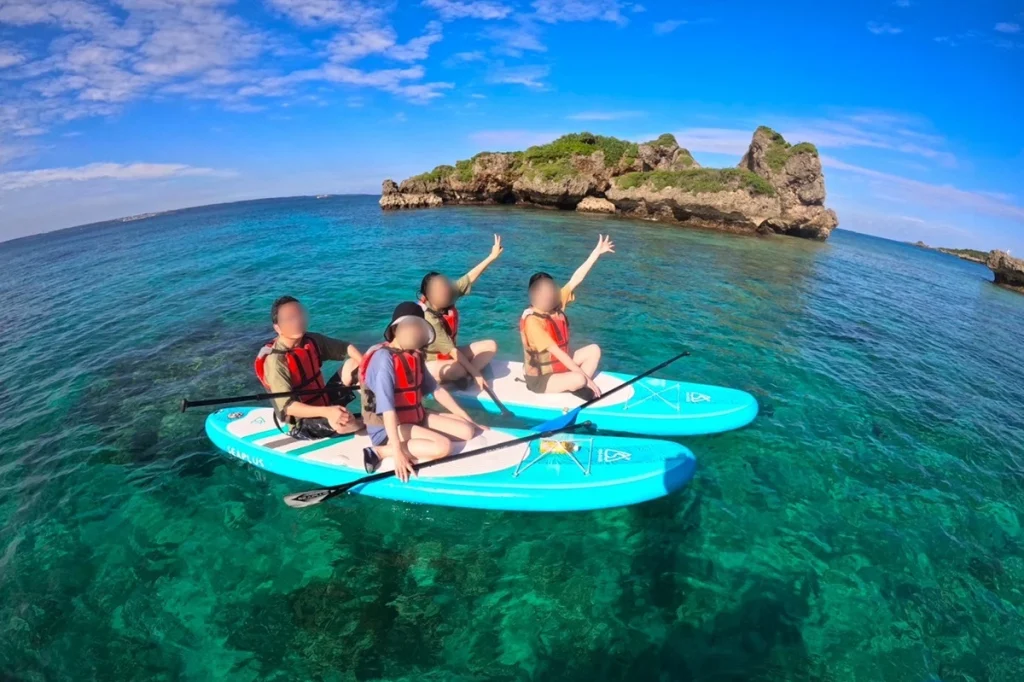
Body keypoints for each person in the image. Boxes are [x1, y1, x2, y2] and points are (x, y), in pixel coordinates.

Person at [360, 302, 480, 482]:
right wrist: (397, 452)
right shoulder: (384, 359)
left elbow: (437, 391)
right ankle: (379, 451)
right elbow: (387, 409)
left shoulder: (413, 355)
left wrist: (469, 419)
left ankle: (440, 427)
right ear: (395, 329)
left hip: (414, 417)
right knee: (443, 447)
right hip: (388, 428)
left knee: (467, 430)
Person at [519, 234, 615, 399]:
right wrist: (586, 379)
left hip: (559, 368)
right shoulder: (532, 321)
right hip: (540, 379)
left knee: (594, 350)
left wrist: (596, 253)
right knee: (578, 378)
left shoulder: (555, 304)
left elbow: (576, 279)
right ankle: (576, 384)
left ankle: (574, 385)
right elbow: (557, 352)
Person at [254, 296, 363, 439]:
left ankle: (378, 408)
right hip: (303, 423)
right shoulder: (276, 362)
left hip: (325, 401)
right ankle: (367, 424)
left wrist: (367, 366)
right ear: (278, 328)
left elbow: (345, 347)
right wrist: (328, 412)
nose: (297, 321)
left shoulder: (311, 340)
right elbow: (288, 407)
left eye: (300, 315)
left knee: (354, 365)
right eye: (290, 318)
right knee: (339, 423)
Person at [419, 234, 503, 391]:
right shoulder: (428, 318)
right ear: (428, 296)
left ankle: (464, 378)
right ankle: (459, 376)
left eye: (444, 286)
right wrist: (476, 374)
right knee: (460, 368)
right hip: (429, 364)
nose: (444, 290)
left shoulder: (447, 296)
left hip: (449, 356)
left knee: (490, 346)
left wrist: (491, 257)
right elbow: (452, 351)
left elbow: (469, 278)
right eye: (438, 289)